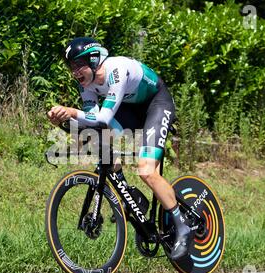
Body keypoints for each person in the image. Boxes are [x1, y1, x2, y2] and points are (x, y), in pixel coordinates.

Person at [47, 37, 192, 260]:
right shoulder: (86, 84)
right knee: (93, 137)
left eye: (79, 65)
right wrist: (63, 122)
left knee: (146, 171)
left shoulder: (116, 70)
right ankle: (132, 196)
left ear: (94, 60)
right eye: (71, 67)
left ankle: (183, 227)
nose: (75, 72)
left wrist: (72, 112)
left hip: (156, 104)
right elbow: (91, 121)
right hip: (130, 110)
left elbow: (104, 116)